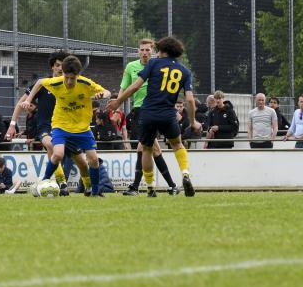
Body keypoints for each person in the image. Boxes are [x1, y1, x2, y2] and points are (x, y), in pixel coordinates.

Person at [109, 36, 201, 197]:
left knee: (146, 148)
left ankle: (151, 187)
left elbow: (135, 86)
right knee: (178, 145)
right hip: (168, 114)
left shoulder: (153, 63)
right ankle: (185, 174)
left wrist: (118, 103)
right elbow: (190, 100)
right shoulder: (185, 71)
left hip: (148, 113)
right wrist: (193, 121)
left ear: (163, 51)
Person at [21, 55, 111, 197]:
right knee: (57, 154)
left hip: (82, 129)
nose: (69, 82)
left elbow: (107, 92)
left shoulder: (86, 83)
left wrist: (102, 94)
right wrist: (28, 100)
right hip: (60, 126)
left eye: (72, 78)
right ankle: (44, 183)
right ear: (62, 73)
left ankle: (94, 191)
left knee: (92, 160)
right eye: (66, 77)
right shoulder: (56, 82)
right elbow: (39, 83)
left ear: (78, 75)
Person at [6, 50, 75, 195]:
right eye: (57, 65)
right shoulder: (43, 84)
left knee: (73, 156)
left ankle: (45, 181)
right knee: (51, 144)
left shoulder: (70, 85)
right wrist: (12, 124)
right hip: (45, 126)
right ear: (52, 67)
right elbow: (21, 103)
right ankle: (62, 182)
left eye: (63, 65)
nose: (60, 68)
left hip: (65, 126)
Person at [117, 38, 180, 196]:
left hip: (155, 111)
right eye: (142, 49)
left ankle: (139, 187)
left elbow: (168, 89)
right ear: (138, 51)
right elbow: (124, 87)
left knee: (147, 148)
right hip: (139, 111)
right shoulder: (131, 67)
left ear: (152, 51)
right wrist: (117, 108)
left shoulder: (159, 66)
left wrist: (173, 109)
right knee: (148, 148)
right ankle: (169, 186)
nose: (145, 52)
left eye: (148, 50)